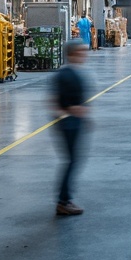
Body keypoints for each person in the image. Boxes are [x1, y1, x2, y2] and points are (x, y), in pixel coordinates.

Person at [53, 41, 89, 216]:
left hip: (74, 122)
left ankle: (65, 199)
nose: (85, 54)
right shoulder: (65, 75)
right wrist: (71, 111)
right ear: (72, 53)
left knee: (73, 161)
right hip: (68, 123)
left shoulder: (75, 72)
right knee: (72, 161)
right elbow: (55, 102)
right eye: (81, 51)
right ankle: (63, 201)